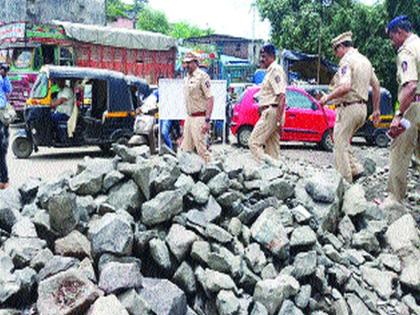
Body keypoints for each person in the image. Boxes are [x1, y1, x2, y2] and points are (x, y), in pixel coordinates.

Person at [320, 32, 381, 183]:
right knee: (345, 141)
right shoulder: (365, 60)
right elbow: (376, 85)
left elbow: (345, 86)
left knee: (339, 144)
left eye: (336, 50)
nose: (335, 54)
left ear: (341, 46)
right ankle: (356, 170)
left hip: (348, 108)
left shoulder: (346, 61)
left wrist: (327, 97)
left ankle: (345, 181)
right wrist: (376, 110)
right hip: (362, 109)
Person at [385, 16, 420, 203]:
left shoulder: (406, 50)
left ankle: (393, 199)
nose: (392, 42)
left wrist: (398, 114)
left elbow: (410, 86)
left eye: (392, 37)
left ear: (400, 32)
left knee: (399, 150)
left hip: (414, 107)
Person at [248, 44, 287, 163]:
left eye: (264, 56)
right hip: (272, 112)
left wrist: (279, 120)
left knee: (253, 143)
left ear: (271, 56)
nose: (261, 59)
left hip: (272, 112)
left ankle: (272, 165)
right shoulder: (269, 71)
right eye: (261, 56)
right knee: (272, 148)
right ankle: (276, 175)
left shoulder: (275, 70)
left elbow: (281, 96)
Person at [181, 52, 214, 163]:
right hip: (189, 118)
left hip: (200, 117)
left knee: (202, 150)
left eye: (189, 63)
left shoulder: (202, 76)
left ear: (195, 62)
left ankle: (214, 171)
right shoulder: (187, 78)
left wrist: (207, 120)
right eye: (185, 63)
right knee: (186, 150)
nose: (186, 65)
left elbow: (210, 98)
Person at [0, 64, 12, 189]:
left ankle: (4, 179)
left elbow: (8, 90)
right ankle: (3, 179)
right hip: (2, 115)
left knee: (1, 149)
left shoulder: (2, 78)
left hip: (2, 114)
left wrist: (5, 76)